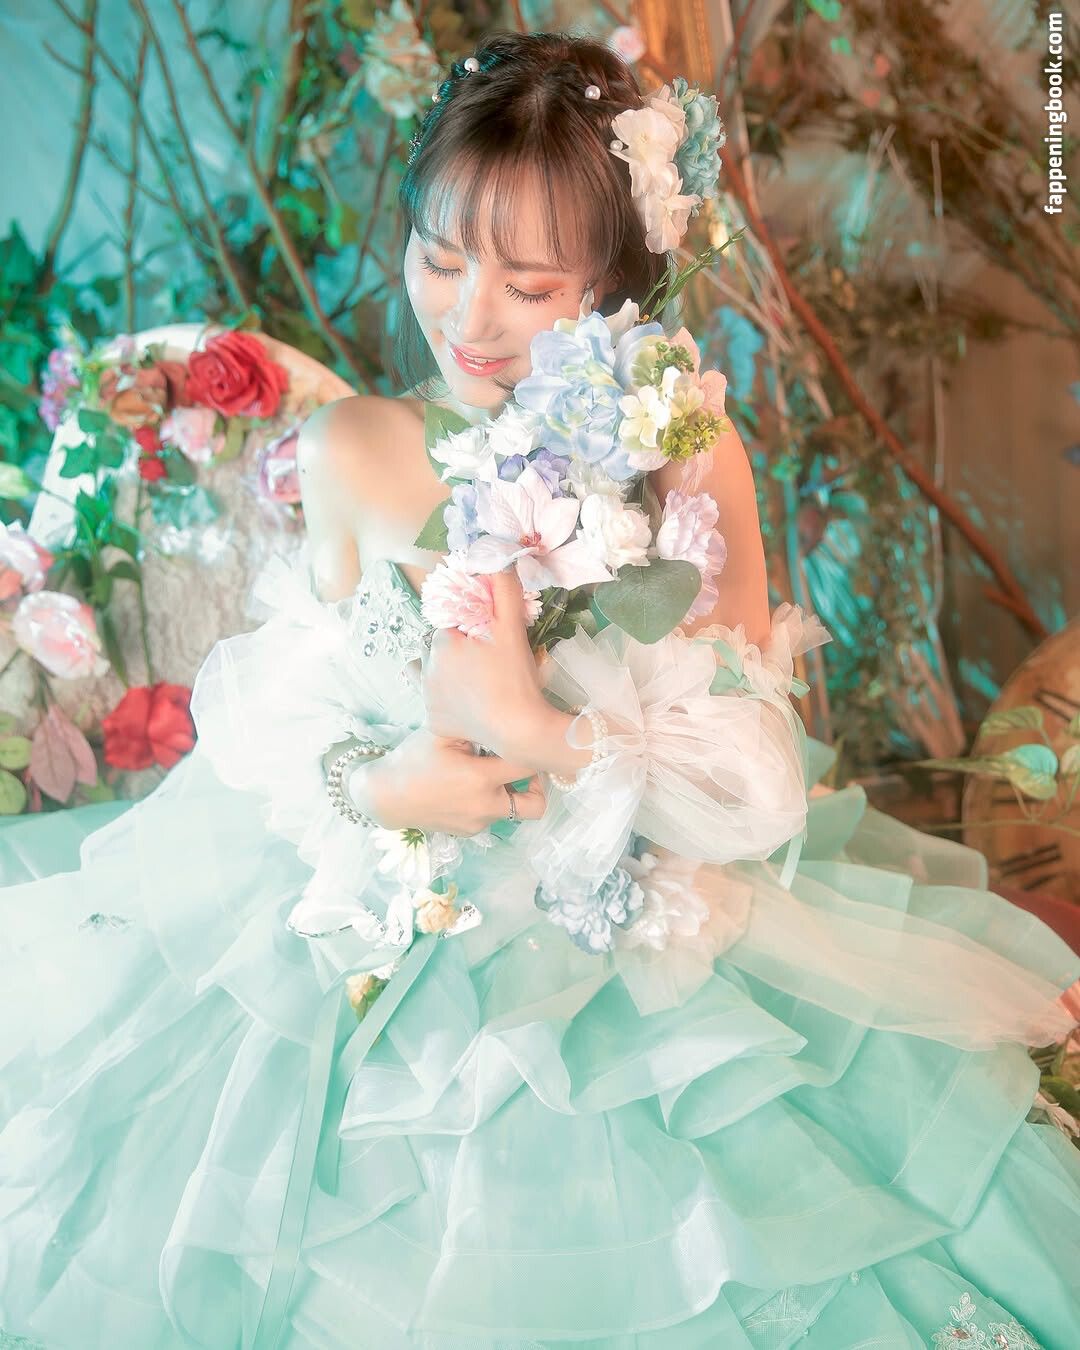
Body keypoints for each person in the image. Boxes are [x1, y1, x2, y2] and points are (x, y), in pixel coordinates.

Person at [1, 29, 1078, 1350]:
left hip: (643, 928)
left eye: (529, 284)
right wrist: (375, 786)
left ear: (619, 281)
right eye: (439, 260)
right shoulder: (356, 445)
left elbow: (752, 783)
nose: (468, 319)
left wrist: (538, 730)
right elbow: (281, 718)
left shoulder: (684, 447)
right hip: (374, 924)